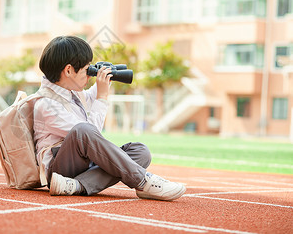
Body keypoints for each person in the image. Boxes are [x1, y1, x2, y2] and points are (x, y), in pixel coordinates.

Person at [33, 35, 186, 201]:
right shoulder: (47, 104)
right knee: (83, 130)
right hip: (60, 169)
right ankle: (142, 181)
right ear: (69, 70)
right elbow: (90, 135)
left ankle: (77, 185)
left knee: (140, 152)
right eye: (87, 70)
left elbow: (92, 98)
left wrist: (105, 77)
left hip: (79, 168)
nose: (89, 75)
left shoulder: (71, 92)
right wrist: (103, 97)